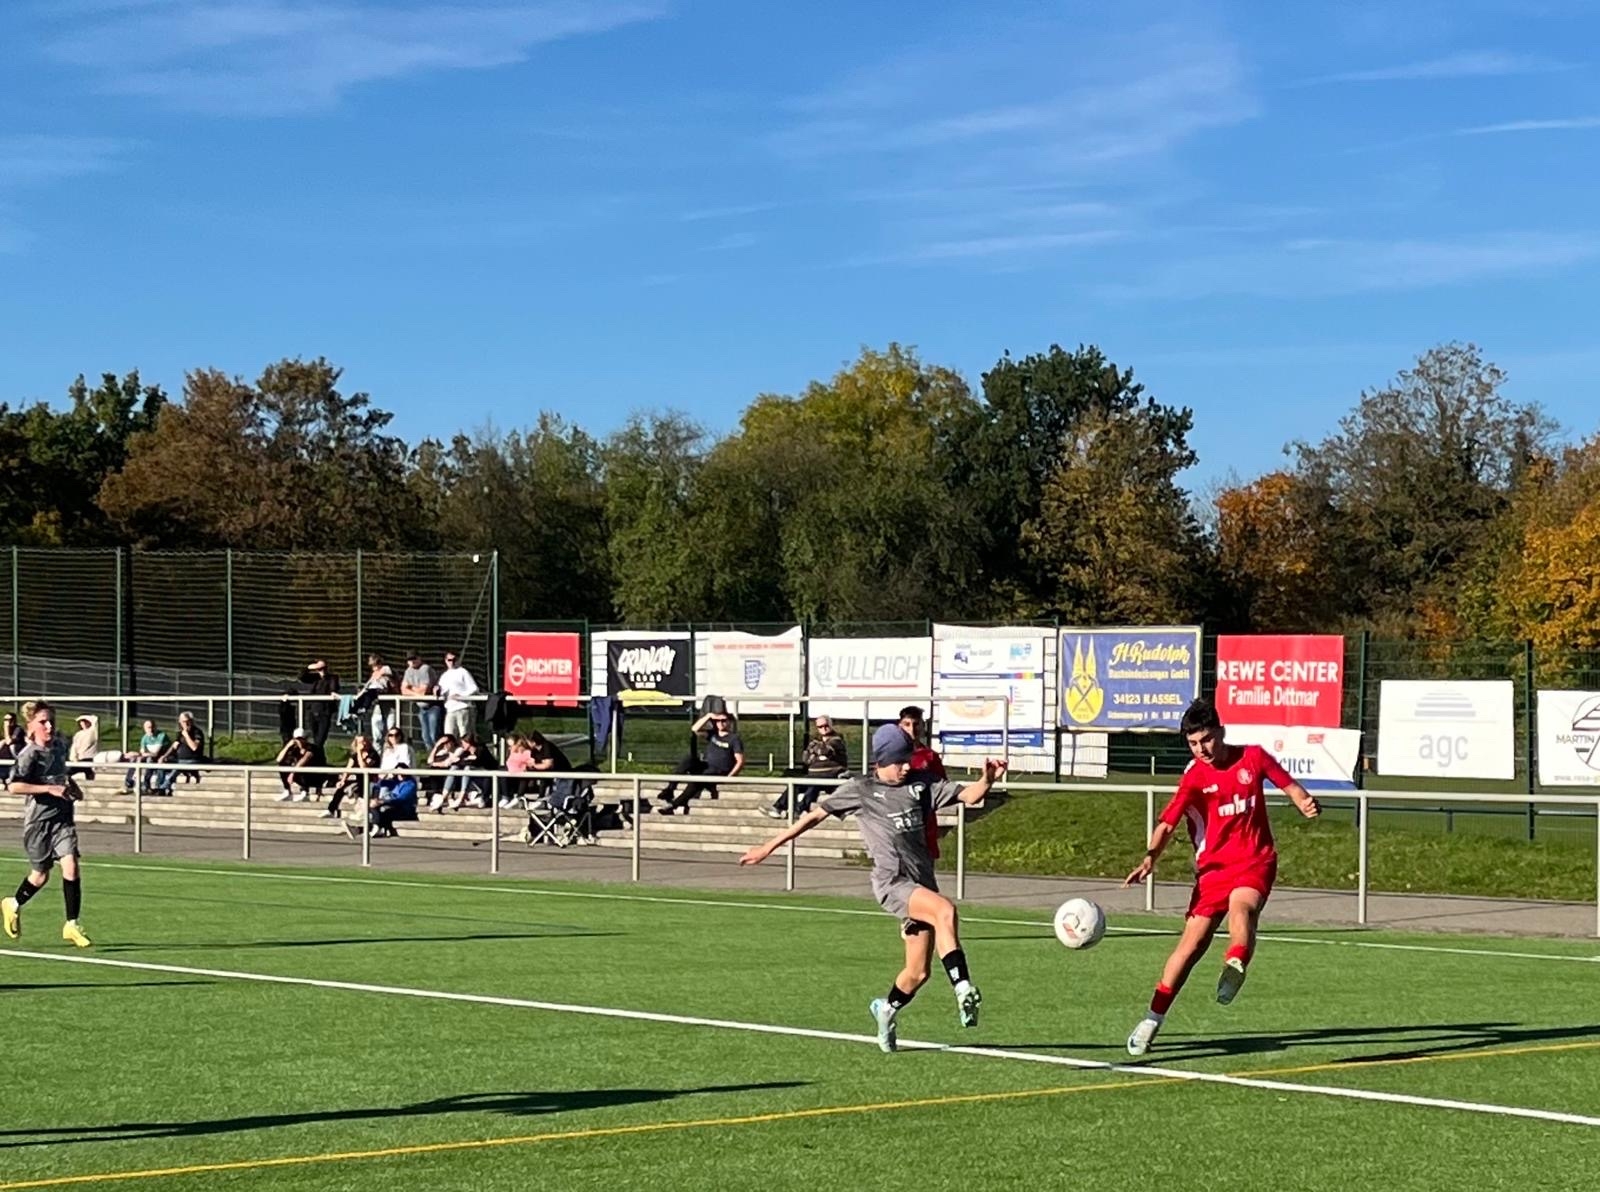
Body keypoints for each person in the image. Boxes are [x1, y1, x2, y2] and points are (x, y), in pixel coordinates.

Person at [739, 724, 1006, 1053]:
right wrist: (767, 847)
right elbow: (813, 817)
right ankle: (963, 987)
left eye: (908, 759)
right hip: (892, 883)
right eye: (899, 761)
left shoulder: (922, 783)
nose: (905, 766)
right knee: (945, 910)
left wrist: (987, 779)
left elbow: (970, 795)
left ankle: (886, 1009)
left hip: (921, 884)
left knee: (917, 973)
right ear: (881, 761)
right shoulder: (861, 789)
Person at [1121, 698, 1321, 1057]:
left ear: (1222, 732)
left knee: (1242, 908)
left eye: (1207, 740)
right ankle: (1152, 1019)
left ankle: (1235, 961)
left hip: (1254, 861)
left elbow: (1289, 785)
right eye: (1193, 743)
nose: (1202, 749)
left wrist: (1303, 800)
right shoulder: (1195, 777)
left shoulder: (1253, 758)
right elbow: (1167, 824)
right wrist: (1150, 857)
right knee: (1190, 946)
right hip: (1212, 872)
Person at [1, 701, 91, 947]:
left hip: (62, 819)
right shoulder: (29, 754)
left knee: (71, 866)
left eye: (51, 720)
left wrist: (73, 788)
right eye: (43, 722)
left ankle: (72, 924)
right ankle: (13, 903)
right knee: (40, 876)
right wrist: (48, 789)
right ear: (31, 725)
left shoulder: (60, 747)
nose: (49, 726)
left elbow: (62, 775)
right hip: (38, 823)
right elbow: (14, 786)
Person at [657, 709, 744, 815]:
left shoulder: (734, 739)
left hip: (718, 772)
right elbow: (695, 729)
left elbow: (740, 761)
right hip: (706, 767)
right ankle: (670, 789)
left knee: (696, 781)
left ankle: (673, 806)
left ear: (729, 722)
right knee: (688, 760)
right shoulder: (713, 734)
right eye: (718, 721)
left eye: (723, 720)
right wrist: (708, 716)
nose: (720, 723)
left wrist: (729, 777)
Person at [766, 715, 847, 819]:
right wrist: (816, 751)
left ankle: (800, 810)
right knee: (796, 784)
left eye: (826, 725)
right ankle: (779, 807)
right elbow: (806, 758)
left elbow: (825, 751)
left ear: (831, 725)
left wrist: (816, 751)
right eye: (820, 726)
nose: (824, 728)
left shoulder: (837, 740)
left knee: (814, 784)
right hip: (814, 774)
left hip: (831, 775)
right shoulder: (815, 741)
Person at [899, 705, 946, 859]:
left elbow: (942, 787)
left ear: (923, 726)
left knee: (924, 866)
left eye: (916, 724)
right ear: (899, 726)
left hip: (923, 820)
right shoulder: (891, 754)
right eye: (907, 724)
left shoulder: (930, 756)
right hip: (897, 816)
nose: (912, 729)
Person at [324, 733, 378, 820]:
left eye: (364, 741)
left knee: (362, 788)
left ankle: (362, 813)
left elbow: (364, 768)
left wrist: (360, 752)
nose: (363, 744)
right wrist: (343, 780)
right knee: (341, 788)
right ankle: (331, 809)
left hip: (370, 781)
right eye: (360, 742)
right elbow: (348, 769)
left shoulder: (373, 755)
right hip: (359, 780)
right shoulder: (354, 756)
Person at [152, 710, 205, 792]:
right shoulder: (180, 733)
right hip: (179, 759)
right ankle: (158, 785)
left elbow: (194, 747)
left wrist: (186, 735)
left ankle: (163, 788)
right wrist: (164, 756)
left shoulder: (197, 732)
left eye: (187, 721)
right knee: (162, 763)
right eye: (183, 722)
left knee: (177, 768)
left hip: (192, 759)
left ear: (191, 721)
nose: (185, 724)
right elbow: (174, 746)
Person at [401, 650, 442, 753]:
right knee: (425, 737)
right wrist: (416, 692)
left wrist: (411, 688)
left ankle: (439, 755)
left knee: (434, 735)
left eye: (414, 658)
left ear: (419, 658)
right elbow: (403, 690)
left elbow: (424, 691)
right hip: (421, 707)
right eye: (409, 660)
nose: (412, 661)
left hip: (433, 706)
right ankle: (430, 757)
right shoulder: (408, 671)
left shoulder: (425, 669)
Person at [437, 650, 480, 741]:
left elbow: (474, 688)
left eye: (454, 660)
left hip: (463, 708)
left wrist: (461, 696)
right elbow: (441, 691)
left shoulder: (463, 672)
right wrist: (436, 690)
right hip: (450, 709)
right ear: (445, 661)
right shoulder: (444, 676)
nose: (452, 662)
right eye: (449, 660)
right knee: (448, 737)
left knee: (465, 736)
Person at [272, 729, 324, 801]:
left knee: (302, 767)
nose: (300, 741)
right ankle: (287, 791)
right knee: (282, 765)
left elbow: (304, 760)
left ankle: (305, 792)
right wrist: (287, 746)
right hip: (299, 775)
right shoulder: (294, 748)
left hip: (314, 776)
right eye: (297, 739)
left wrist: (292, 773)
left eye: (301, 739)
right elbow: (278, 759)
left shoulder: (311, 748)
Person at [300, 659, 341, 750]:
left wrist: (333, 693)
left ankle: (316, 755)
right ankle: (319, 756)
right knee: (316, 738)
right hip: (313, 710)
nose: (321, 670)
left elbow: (333, 688)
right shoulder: (314, 678)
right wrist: (309, 667)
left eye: (323, 667)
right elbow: (301, 677)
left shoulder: (332, 678)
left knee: (320, 739)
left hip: (324, 711)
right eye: (319, 668)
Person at [122, 718, 170, 793]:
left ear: (155, 727)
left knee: (149, 759)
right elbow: (142, 753)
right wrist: (139, 756)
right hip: (151, 756)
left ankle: (146, 783)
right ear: (144, 729)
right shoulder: (145, 738)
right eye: (148, 728)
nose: (150, 730)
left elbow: (155, 753)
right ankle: (128, 782)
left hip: (163, 757)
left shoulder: (161, 736)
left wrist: (144, 754)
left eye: (152, 727)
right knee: (135, 760)